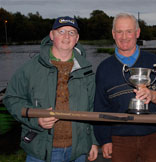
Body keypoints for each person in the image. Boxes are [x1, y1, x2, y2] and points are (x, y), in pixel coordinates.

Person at [3, 16, 98, 162]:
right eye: (61, 31)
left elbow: (91, 108)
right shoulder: (30, 68)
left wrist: (92, 141)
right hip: (41, 151)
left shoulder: (87, 71)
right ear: (52, 35)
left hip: (78, 151)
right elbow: (11, 98)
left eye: (71, 32)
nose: (66, 36)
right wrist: (37, 119)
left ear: (77, 38)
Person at [93, 13, 156, 162]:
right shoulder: (104, 68)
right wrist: (104, 140)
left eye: (129, 31)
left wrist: (152, 95)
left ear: (137, 33)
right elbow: (100, 106)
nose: (124, 37)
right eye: (119, 31)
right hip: (119, 139)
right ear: (113, 34)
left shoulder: (154, 62)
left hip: (152, 136)